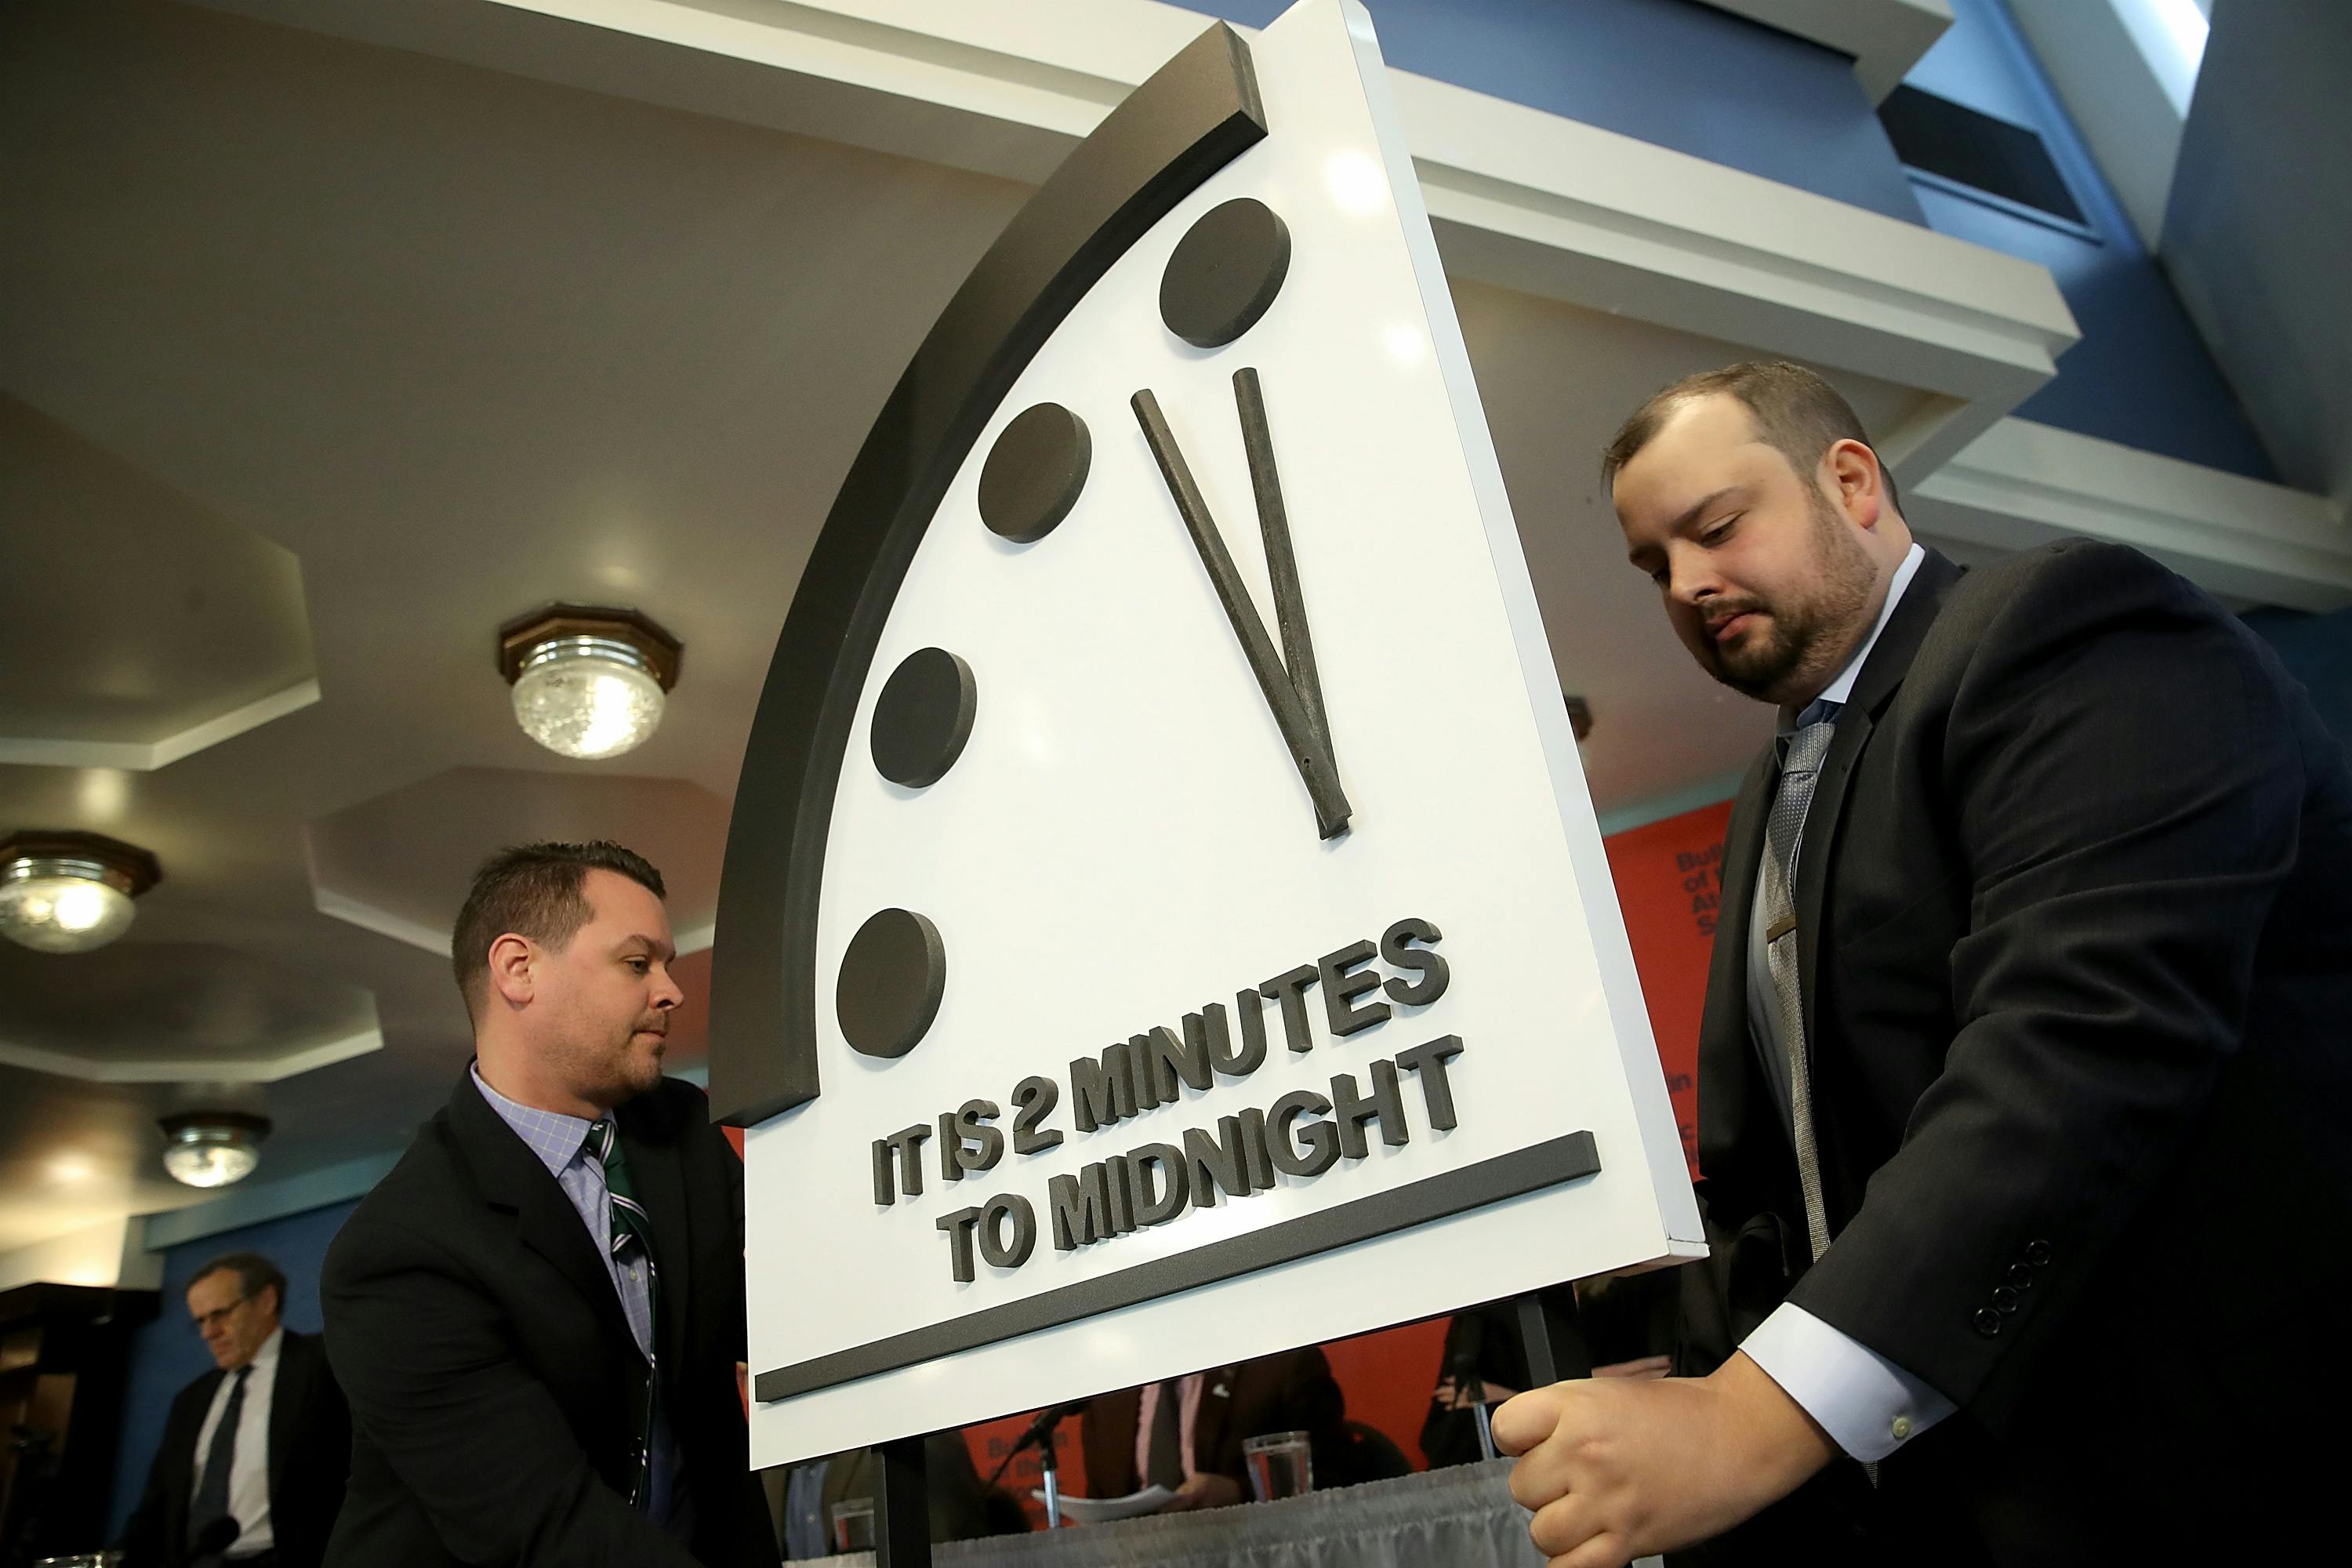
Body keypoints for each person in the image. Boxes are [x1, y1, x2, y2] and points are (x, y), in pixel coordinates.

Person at [1494, 361, 2352, 1565]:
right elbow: (1784, 1190)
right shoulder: (1768, 796)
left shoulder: (2070, 626)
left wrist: (1750, 1422)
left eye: (1717, 527)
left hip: (2199, 1465)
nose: (1686, 583)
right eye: (1655, 565)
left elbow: (2082, 1042)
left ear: (1851, 483)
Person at [320, 841, 778, 1566]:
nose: (672, 992)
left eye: (666, 965)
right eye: (638, 963)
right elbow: (544, 1529)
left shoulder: (683, 1129)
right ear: (518, 969)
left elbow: (787, 1316)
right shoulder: (399, 1250)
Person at [116, 1251, 350, 1568]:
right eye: (200, 1321)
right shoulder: (191, 1399)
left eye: (220, 1314)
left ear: (266, 1301)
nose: (208, 1333)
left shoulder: (326, 1364)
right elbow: (159, 1504)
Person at [1078, 1348, 1344, 1512]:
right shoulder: (1106, 1396)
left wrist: (1239, 1492)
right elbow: (1100, 1504)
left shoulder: (1281, 1364)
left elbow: (1341, 1476)